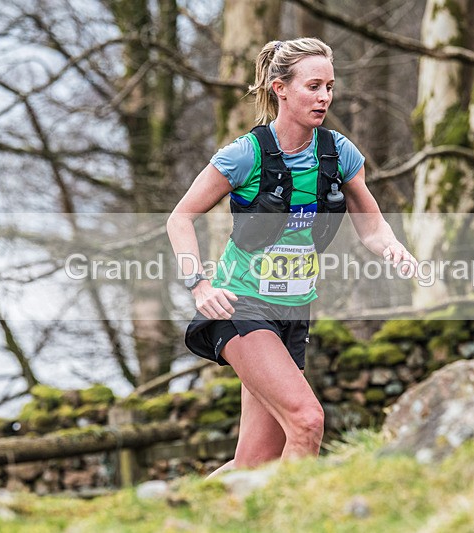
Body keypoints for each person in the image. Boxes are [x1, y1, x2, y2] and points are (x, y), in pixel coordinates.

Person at [167, 37, 416, 478]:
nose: (324, 98)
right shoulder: (246, 154)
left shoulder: (338, 154)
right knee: (308, 420)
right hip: (239, 306)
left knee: (255, 464)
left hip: (293, 312)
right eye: (313, 86)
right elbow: (180, 218)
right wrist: (198, 283)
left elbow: (372, 226)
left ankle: (175, 515)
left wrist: (392, 246)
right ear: (281, 88)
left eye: (330, 87)